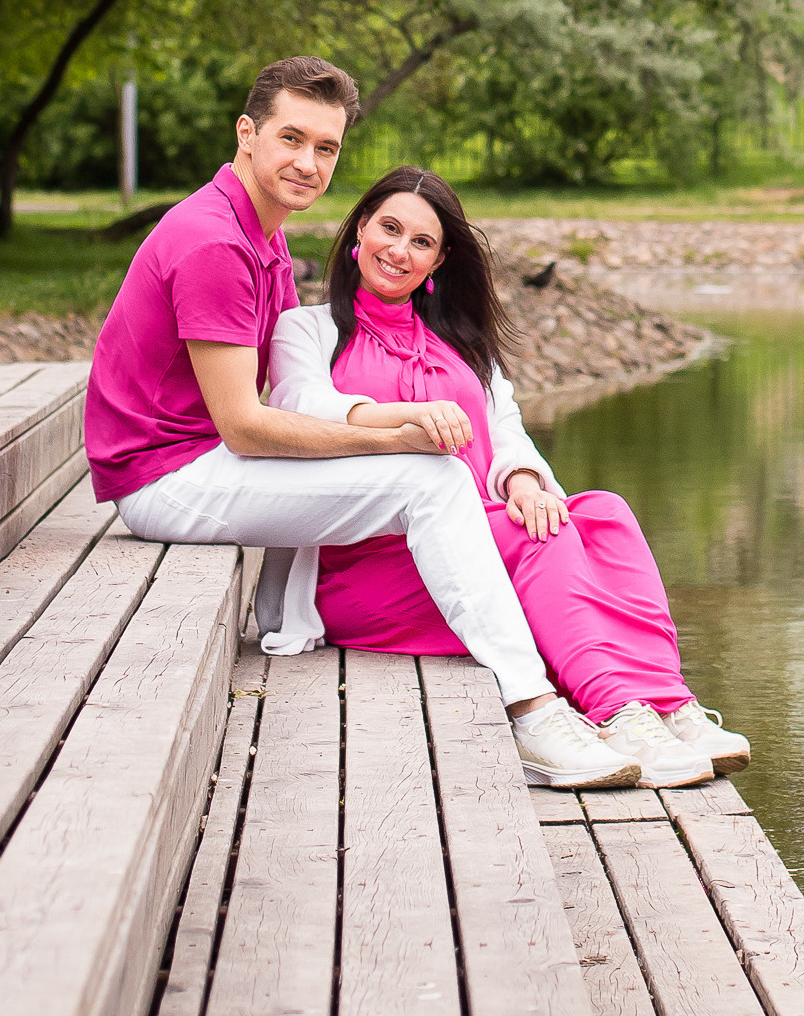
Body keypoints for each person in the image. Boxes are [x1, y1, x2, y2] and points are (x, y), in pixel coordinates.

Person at [82, 56, 639, 792]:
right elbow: (248, 427)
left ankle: (572, 697)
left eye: (326, 147)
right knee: (431, 479)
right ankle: (533, 709)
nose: (308, 163)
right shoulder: (214, 241)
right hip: (166, 476)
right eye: (290, 139)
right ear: (246, 134)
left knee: (436, 479)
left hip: (198, 456)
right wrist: (396, 431)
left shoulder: (264, 234)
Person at [267, 164, 749, 792]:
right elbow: (300, 406)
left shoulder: (464, 346)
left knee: (600, 514)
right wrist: (402, 416)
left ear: (438, 263)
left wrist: (521, 478)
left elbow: (506, 431)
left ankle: (668, 707)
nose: (399, 251)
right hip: (369, 573)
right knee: (535, 538)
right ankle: (619, 711)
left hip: (477, 555)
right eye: (389, 228)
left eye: (422, 242)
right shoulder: (307, 331)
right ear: (360, 228)